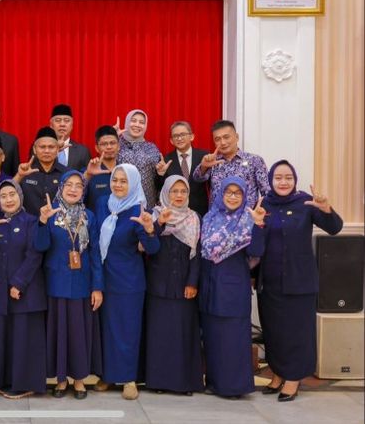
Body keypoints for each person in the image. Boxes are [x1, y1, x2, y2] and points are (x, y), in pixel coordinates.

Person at [255, 160, 343, 402]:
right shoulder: (264, 203)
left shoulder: (306, 202)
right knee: (273, 331)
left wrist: (326, 209)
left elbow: (335, 228)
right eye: (278, 178)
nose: (283, 182)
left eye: (288, 178)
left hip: (299, 281)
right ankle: (277, 374)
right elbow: (257, 241)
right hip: (270, 282)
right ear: (270, 180)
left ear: (294, 180)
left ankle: (293, 378)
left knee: (297, 333)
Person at [34, 171, 103, 400]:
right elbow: (40, 246)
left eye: (78, 186)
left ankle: (79, 379)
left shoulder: (89, 216)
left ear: (84, 191)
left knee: (79, 333)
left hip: (82, 283)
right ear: (61, 187)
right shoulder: (50, 212)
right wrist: (42, 222)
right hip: (56, 282)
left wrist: (97, 287)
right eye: (69, 185)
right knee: (59, 332)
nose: (73, 189)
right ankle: (61, 380)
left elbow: (95, 253)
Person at [95, 164, 160, 400]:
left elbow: (152, 249)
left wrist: (150, 230)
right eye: (115, 180)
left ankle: (129, 378)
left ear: (133, 183)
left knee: (127, 330)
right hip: (103, 277)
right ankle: (108, 375)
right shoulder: (103, 203)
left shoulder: (139, 208)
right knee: (106, 329)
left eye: (124, 181)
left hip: (128, 281)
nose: (118, 185)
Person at [199, 176, 266, 399]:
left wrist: (257, 225)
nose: (233, 197)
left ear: (245, 196)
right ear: (220, 194)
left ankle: (235, 386)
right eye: (229, 192)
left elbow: (256, 251)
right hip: (210, 287)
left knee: (233, 340)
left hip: (233, 289)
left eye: (238, 193)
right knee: (213, 338)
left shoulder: (247, 219)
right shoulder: (209, 218)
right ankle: (215, 383)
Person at [0, 179, 47, 399]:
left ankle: (24, 384)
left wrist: (19, 283)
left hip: (26, 292)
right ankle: (3, 380)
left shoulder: (31, 221)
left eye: (12, 194)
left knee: (24, 339)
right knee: (5, 337)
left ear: (20, 196)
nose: (8, 200)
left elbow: (34, 254)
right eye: (3, 196)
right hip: (1, 292)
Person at [144, 175, 204, 395]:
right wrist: (159, 224)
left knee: (183, 335)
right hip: (158, 285)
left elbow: (197, 254)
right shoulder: (155, 214)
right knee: (160, 335)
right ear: (165, 193)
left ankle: (184, 383)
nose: (179, 195)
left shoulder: (194, 218)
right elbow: (148, 246)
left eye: (183, 191)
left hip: (184, 287)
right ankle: (158, 382)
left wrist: (192, 282)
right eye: (174, 191)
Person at [193, 120, 270, 209]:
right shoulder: (213, 161)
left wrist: (259, 212)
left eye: (226, 137)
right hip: (217, 217)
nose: (223, 142)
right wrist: (204, 166)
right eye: (217, 139)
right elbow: (197, 179)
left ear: (236, 137)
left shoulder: (254, 160)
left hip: (246, 216)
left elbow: (267, 191)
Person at [156, 121, 210, 216]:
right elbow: (161, 188)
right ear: (171, 140)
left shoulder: (204, 156)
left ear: (192, 136)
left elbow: (211, 184)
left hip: (200, 211)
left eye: (183, 134)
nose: (179, 138)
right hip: (174, 213)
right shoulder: (166, 160)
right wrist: (160, 174)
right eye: (175, 136)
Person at [15, 126, 70, 216]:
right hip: (30, 224)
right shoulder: (25, 172)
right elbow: (8, 192)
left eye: (51, 147)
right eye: (42, 147)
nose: (46, 151)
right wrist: (19, 175)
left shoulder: (67, 173)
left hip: (58, 223)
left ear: (57, 150)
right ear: (34, 149)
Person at [116, 109, 162, 210]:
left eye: (142, 122)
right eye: (133, 121)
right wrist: (113, 138)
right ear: (127, 122)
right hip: (121, 203)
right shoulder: (116, 144)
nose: (137, 125)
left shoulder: (151, 148)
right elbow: (106, 163)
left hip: (147, 204)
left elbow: (158, 179)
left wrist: (161, 173)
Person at [84, 125, 120, 211]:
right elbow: (76, 198)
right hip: (96, 219)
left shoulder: (126, 171)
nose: (109, 147)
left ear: (119, 146)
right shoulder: (89, 172)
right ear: (96, 148)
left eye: (112, 143)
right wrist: (88, 175)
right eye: (104, 144)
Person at [49, 104, 90, 172]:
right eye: (58, 120)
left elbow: (86, 175)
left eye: (66, 120)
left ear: (72, 125)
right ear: (51, 125)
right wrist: (54, 148)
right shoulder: (39, 148)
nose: (62, 124)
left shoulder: (82, 151)